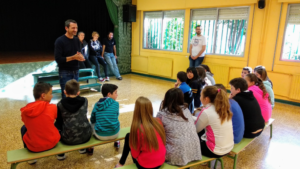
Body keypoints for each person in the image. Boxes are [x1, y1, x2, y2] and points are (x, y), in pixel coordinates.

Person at [115, 97, 166, 168]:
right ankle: (121, 163)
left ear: (137, 111)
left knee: (128, 136)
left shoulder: (138, 129)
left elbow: (134, 154)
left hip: (145, 166)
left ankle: (120, 163)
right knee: (129, 136)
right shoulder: (158, 121)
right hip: (161, 161)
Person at [157, 88, 201, 166]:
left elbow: (157, 132)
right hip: (194, 150)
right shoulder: (186, 109)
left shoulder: (162, 114)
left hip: (176, 155)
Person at [20, 82, 60, 164]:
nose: (52, 96)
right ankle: (61, 154)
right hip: (52, 143)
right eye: (51, 93)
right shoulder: (52, 107)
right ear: (43, 95)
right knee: (56, 124)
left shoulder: (25, 111)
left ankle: (30, 159)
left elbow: (26, 123)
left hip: (33, 147)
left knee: (23, 128)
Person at [54, 80, 93, 160]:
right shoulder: (85, 101)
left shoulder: (60, 104)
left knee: (56, 126)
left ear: (65, 92)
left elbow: (59, 122)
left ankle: (60, 154)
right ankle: (82, 149)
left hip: (68, 139)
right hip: (85, 136)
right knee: (80, 121)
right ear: (78, 92)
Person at [195, 86, 234, 158]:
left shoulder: (206, 112)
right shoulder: (224, 108)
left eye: (201, 95)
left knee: (189, 138)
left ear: (206, 99)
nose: (200, 98)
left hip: (215, 151)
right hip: (229, 147)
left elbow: (195, 130)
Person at [54, 19, 85, 99]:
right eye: (73, 28)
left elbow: (78, 53)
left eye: (76, 28)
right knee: (66, 95)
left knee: (75, 95)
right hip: (65, 72)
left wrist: (80, 57)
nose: (75, 30)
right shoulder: (59, 41)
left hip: (76, 71)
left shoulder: (77, 40)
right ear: (66, 28)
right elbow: (58, 59)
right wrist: (73, 57)